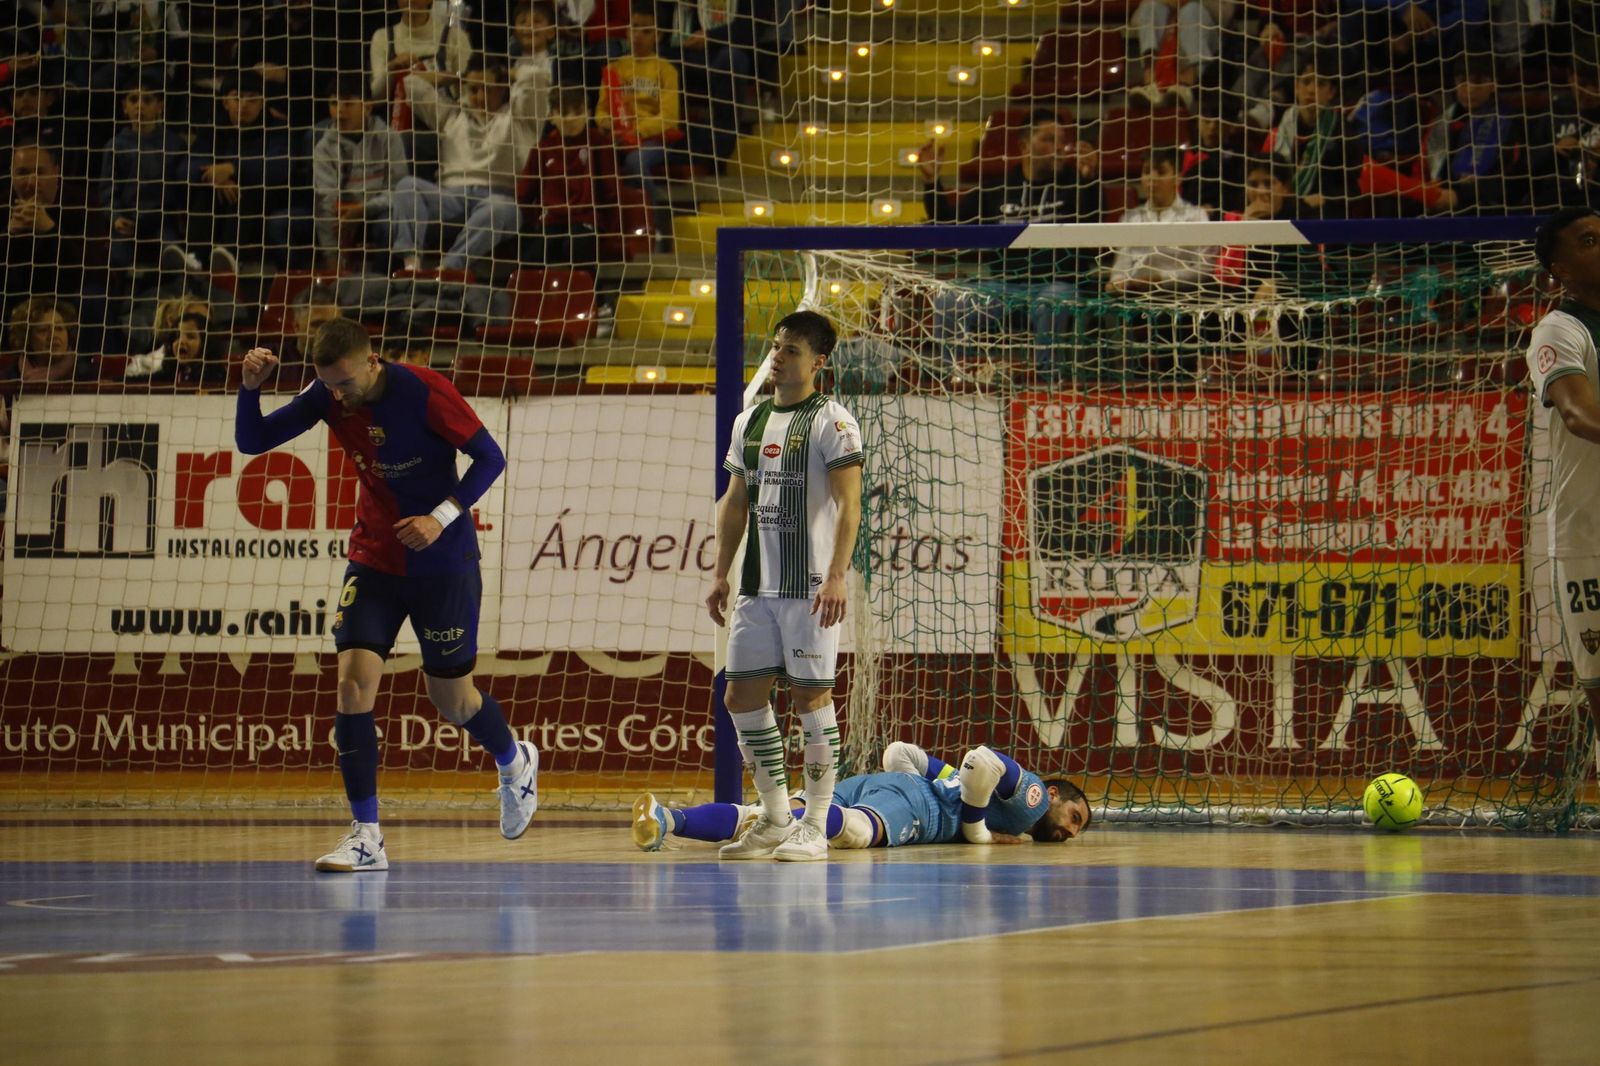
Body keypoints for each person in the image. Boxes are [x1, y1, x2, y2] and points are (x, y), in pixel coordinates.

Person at [233, 319, 535, 872]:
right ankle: (366, 837)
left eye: (345, 383)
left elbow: (491, 458)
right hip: (374, 557)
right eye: (329, 386)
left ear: (373, 363)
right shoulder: (328, 395)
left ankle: (514, 760)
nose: (338, 396)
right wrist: (249, 389)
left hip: (442, 560)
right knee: (351, 685)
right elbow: (252, 441)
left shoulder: (424, 390)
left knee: (453, 702)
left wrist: (439, 518)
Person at [706, 310, 864, 862]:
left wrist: (839, 575)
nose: (777, 357)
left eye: (791, 350)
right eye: (776, 347)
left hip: (812, 587)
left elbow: (850, 504)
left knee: (810, 697)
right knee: (739, 695)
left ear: (818, 362)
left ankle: (816, 824)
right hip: (756, 587)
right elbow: (735, 504)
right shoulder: (747, 421)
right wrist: (721, 572)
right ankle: (774, 819)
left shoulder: (833, 422)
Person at [632, 741, 1092, 852]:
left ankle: (669, 820)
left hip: (880, 784)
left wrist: (977, 817)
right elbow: (984, 761)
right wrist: (975, 831)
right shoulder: (1031, 799)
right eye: (1074, 816)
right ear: (1053, 794)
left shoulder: (1008, 814)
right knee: (851, 832)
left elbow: (899, 754)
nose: (1070, 830)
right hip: (915, 808)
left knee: (769, 814)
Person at [919, 112, 1102, 372]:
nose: (1059, 148)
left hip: (1056, 283)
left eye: (1062, 141)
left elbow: (1094, 228)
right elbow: (947, 223)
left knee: (1051, 303)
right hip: (1004, 286)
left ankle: (1048, 383)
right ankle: (953, 377)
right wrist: (931, 183)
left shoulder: (1076, 183)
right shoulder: (998, 189)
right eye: (1049, 140)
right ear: (1025, 145)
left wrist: (1090, 181)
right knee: (948, 301)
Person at [1527, 208, 1600, 740]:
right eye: (1589, 240)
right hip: (1589, 535)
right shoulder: (1558, 328)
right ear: (1560, 268)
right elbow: (1579, 416)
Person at [392, 56, 547, 274]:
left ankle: (448, 269)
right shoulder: (451, 116)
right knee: (406, 185)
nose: (480, 96)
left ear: (503, 88)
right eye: (474, 89)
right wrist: (457, 77)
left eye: (488, 89)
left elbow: (535, 76)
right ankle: (411, 264)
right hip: (452, 197)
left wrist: (504, 74)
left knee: (499, 209)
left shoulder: (521, 118)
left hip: (500, 198)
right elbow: (410, 83)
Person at [595, 4, 682, 241]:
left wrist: (637, 131)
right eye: (634, 28)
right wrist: (611, 127)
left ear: (658, 35)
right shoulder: (614, 68)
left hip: (654, 140)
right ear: (626, 31)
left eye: (646, 31)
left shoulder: (666, 70)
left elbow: (669, 116)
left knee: (635, 161)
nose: (638, 36)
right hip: (618, 137)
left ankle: (656, 225)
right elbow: (601, 111)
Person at [312, 74, 409, 273]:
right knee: (285, 225)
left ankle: (381, 285)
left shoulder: (389, 139)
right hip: (342, 218)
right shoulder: (323, 148)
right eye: (333, 103)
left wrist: (363, 210)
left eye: (348, 103)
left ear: (367, 107)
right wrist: (332, 258)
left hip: (377, 213)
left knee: (390, 225)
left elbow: (399, 192)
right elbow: (325, 203)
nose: (339, 111)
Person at [517, 84, 616, 270]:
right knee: (533, 256)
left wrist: (605, 226)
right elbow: (523, 194)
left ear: (588, 113)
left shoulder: (599, 143)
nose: (570, 119)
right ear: (552, 116)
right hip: (552, 220)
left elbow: (610, 190)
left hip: (586, 219)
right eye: (563, 112)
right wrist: (535, 219)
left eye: (577, 111)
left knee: (577, 246)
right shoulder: (542, 149)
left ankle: (592, 297)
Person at [3, 293, 90, 383]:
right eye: (43, 330)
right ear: (27, 337)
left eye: (59, 328)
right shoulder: (8, 378)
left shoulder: (87, 374)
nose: (53, 336)